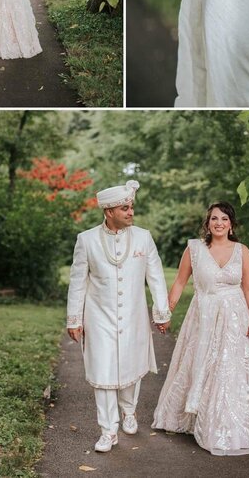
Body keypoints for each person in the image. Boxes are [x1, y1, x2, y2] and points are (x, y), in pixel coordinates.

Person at [152, 202, 249, 455]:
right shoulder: (195, 249)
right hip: (203, 315)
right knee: (201, 364)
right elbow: (179, 283)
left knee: (228, 367)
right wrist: (164, 313)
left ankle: (228, 423)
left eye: (224, 218)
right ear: (207, 223)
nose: (219, 223)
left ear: (231, 224)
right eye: (214, 219)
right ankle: (194, 415)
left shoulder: (242, 251)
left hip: (234, 317)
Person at [66, 180, 171, 453]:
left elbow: (156, 277)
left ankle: (129, 411)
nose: (131, 213)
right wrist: (74, 319)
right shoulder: (86, 240)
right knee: (103, 370)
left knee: (131, 367)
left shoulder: (143, 237)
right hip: (98, 317)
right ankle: (108, 430)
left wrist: (161, 312)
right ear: (109, 211)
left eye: (132, 207)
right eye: (125, 208)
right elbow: (78, 282)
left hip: (133, 316)